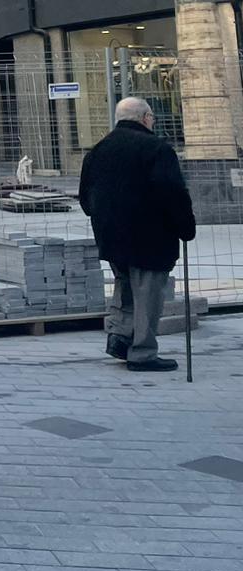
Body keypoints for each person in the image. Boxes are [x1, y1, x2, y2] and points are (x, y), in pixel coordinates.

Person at [78, 97, 196, 372]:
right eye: (152, 117)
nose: (153, 122)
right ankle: (142, 353)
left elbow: (85, 198)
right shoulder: (156, 149)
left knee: (125, 288)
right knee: (148, 295)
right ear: (145, 117)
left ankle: (120, 337)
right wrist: (185, 227)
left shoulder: (98, 150)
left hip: (111, 237)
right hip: (150, 237)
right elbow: (173, 193)